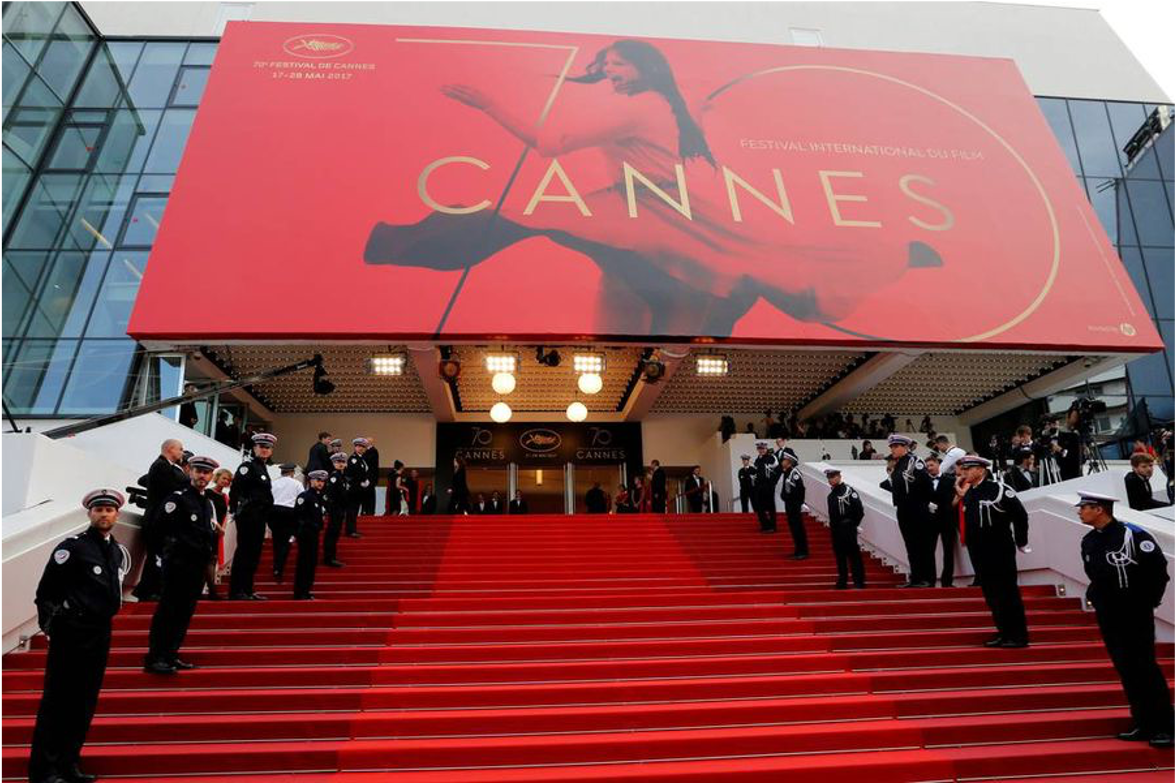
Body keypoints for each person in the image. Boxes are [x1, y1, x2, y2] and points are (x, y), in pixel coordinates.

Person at [364, 40, 914, 338]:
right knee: (697, 282)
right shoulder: (674, 101)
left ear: (646, 67)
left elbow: (552, 142)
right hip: (653, 207)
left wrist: (489, 104)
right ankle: (397, 243)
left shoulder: (642, 107)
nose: (611, 74)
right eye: (605, 67)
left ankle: (392, 244)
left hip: (650, 210)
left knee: (521, 217)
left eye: (619, 65)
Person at [28, 488, 129, 783]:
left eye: (109, 510)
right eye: (99, 510)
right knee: (58, 701)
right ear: (89, 513)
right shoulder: (73, 547)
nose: (104, 514)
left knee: (84, 702)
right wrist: (55, 627)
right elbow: (46, 592)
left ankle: (69, 763)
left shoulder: (115, 550)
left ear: (117, 515)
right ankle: (44, 770)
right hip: (72, 633)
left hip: (100, 633)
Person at [1076, 491, 1172, 747]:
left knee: (1145, 667)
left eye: (1084, 507)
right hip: (1109, 613)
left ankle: (1164, 725)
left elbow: (1158, 571)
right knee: (1126, 668)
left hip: (1135, 611)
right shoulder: (1089, 541)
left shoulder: (1133, 535)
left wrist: (1148, 601)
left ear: (1099, 509)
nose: (1079, 511)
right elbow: (1095, 575)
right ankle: (1143, 721)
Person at [145, 456, 220, 674]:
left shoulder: (206, 502)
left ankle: (171, 654)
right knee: (168, 611)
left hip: (196, 566)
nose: (202, 476)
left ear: (211, 476)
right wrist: (164, 557)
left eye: (206, 473)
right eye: (198, 471)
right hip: (177, 564)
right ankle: (156, 657)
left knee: (184, 613)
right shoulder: (178, 498)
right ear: (190, 471)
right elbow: (159, 529)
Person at [955, 455, 1030, 648]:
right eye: (964, 469)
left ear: (981, 470)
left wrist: (1021, 541)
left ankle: (1017, 635)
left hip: (999, 549)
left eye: (969, 469)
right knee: (991, 594)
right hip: (979, 552)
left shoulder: (998, 489)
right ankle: (1004, 632)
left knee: (1007, 592)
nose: (964, 472)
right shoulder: (970, 493)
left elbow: (1020, 516)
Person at [133, 439, 187, 601]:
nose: (182, 452)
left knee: (158, 557)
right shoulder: (161, 467)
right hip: (156, 521)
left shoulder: (165, 467)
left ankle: (150, 590)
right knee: (156, 557)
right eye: (180, 449)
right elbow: (170, 490)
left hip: (159, 521)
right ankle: (148, 591)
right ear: (170, 449)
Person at [881, 434, 934, 588]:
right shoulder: (899, 464)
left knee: (922, 545)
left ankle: (927, 579)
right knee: (911, 545)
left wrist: (920, 504)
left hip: (916, 508)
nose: (892, 449)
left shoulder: (915, 462)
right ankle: (916, 578)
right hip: (903, 509)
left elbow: (927, 486)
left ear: (905, 447)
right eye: (891, 447)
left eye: (896, 446)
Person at [228, 433, 276, 600]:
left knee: (254, 554)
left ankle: (247, 589)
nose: (265, 450)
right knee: (244, 552)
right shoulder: (248, 466)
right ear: (254, 448)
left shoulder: (263, 468)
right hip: (249, 515)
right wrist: (235, 510)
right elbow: (236, 489)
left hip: (259, 516)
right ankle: (236, 591)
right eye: (261, 447)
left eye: (268, 448)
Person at [824, 469, 865, 589]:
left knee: (853, 555)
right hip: (836, 529)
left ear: (839, 477)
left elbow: (859, 510)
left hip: (847, 528)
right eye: (829, 477)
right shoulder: (831, 495)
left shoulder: (848, 491)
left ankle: (859, 581)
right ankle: (842, 580)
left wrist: (852, 524)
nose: (830, 479)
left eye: (833, 476)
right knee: (840, 556)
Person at [292, 470, 328, 600]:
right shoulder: (305, 496)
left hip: (314, 534)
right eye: (318, 480)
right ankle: (300, 592)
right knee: (304, 563)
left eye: (322, 481)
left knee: (311, 563)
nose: (320, 483)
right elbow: (298, 516)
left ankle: (306, 590)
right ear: (310, 481)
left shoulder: (319, 497)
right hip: (305, 534)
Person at [924, 454, 957, 588]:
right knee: (929, 551)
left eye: (931, 465)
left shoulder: (950, 480)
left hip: (948, 520)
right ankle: (930, 580)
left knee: (949, 551)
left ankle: (947, 581)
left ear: (938, 464)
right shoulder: (923, 481)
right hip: (930, 521)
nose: (929, 468)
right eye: (927, 466)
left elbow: (955, 498)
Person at [269, 463, 302, 582]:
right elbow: (301, 500)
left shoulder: (273, 483)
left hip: (274, 512)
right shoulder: (297, 484)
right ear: (292, 472)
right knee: (286, 542)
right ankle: (279, 567)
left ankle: (276, 565)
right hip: (289, 513)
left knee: (276, 541)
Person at [204, 468, 233, 600]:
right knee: (208, 560)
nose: (226, 481)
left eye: (228, 480)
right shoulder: (208, 493)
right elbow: (207, 512)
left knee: (213, 559)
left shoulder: (225, 497)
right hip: (208, 529)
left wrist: (222, 529)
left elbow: (226, 515)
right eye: (224, 478)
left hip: (217, 532)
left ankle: (211, 590)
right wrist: (216, 526)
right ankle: (211, 590)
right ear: (217, 478)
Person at [778, 452, 808, 559]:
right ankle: (798, 550)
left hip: (794, 505)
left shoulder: (794, 474)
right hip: (790, 505)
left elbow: (800, 490)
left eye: (784, 460)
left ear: (789, 462)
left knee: (798, 528)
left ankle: (802, 551)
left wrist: (798, 503)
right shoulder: (787, 472)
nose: (782, 462)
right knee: (794, 528)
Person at [322, 452, 349, 568]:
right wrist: (330, 509)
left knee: (335, 534)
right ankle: (329, 558)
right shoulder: (334, 477)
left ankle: (331, 557)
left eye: (343, 462)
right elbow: (329, 495)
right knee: (332, 534)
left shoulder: (342, 477)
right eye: (338, 462)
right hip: (335, 509)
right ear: (333, 463)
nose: (341, 464)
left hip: (340, 509)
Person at [344, 438, 371, 537]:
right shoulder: (353, 459)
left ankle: (353, 529)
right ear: (355, 447)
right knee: (351, 511)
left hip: (358, 489)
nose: (361, 448)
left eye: (363, 447)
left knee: (355, 511)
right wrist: (361, 481)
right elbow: (352, 474)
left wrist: (366, 480)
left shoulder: (361, 459)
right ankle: (350, 531)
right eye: (358, 446)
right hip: (354, 489)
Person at [752, 441, 779, 534]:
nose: (761, 450)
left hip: (768, 486)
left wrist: (773, 482)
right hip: (759, 486)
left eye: (763, 448)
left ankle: (772, 526)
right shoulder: (757, 460)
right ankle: (765, 526)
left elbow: (777, 470)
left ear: (766, 448)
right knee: (759, 507)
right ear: (757, 449)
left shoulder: (771, 458)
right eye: (760, 448)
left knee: (771, 506)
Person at [361, 437, 380, 516]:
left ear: (370, 442)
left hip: (371, 477)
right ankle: (365, 510)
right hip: (366, 476)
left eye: (366, 442)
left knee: (370, 494)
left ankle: (370, 511)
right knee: (365, 494)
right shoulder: (366, 451)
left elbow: (369, 461)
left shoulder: (373, 451)